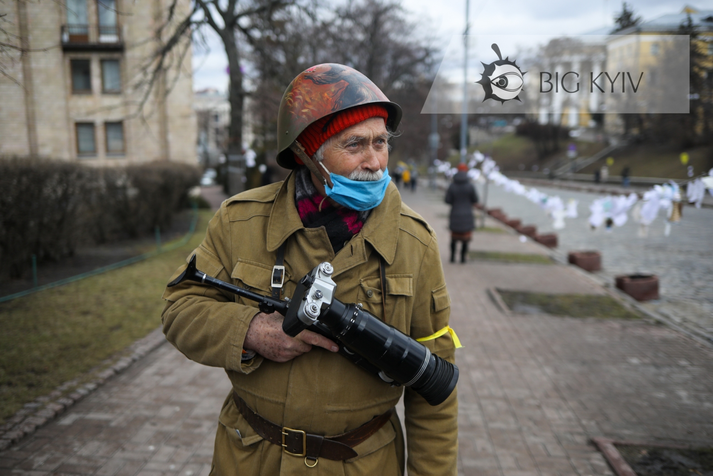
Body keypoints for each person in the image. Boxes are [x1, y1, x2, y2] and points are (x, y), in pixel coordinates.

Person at [162, 63, 458, 475]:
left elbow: (433, 384)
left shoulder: (415, 241)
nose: (375, 161)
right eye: (355, 144)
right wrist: (250, 331)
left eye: (380, 142)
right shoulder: (239, 221)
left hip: (363, 465)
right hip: (251, 459)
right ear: (306, 152)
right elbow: (180, 307)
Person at [445, 163, 478, 264]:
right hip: (467, 215)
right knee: (465, 239)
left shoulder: (452, 185)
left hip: (455, 214)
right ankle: (463, 258)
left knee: (454, 238)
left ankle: (452, 258)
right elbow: (475, 199)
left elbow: (447, 200)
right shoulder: (470, 186)